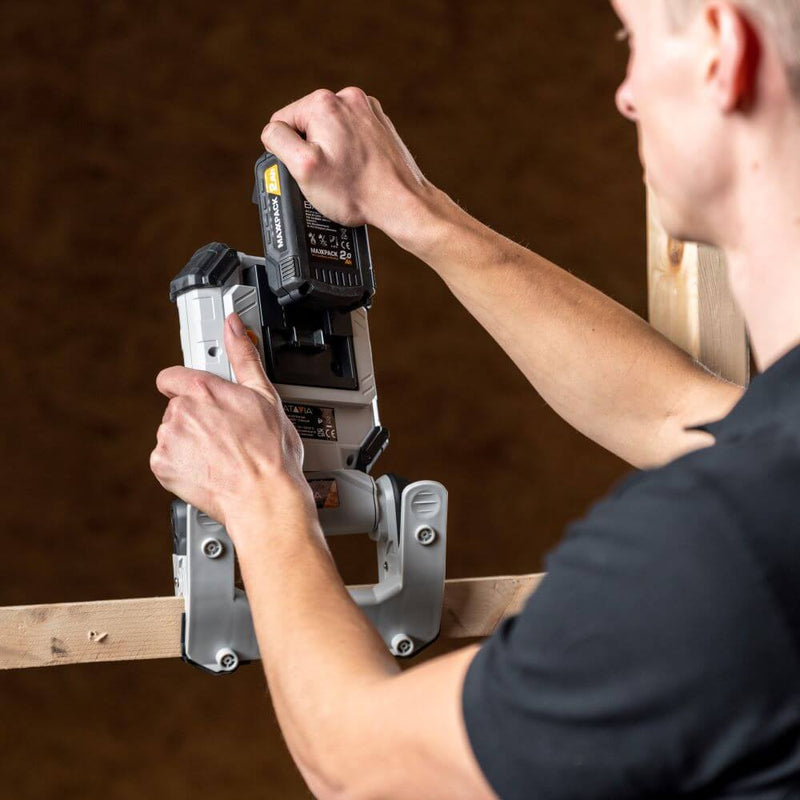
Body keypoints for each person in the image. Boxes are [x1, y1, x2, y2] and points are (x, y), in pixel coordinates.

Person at [150, 0, 800, 797]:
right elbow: (672, 413)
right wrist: (414, 211)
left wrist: (256, 493)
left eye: (632, 39)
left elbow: (362, 767)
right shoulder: (773, 473)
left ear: (720, 50)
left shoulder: (719, 551)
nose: (625, 92)